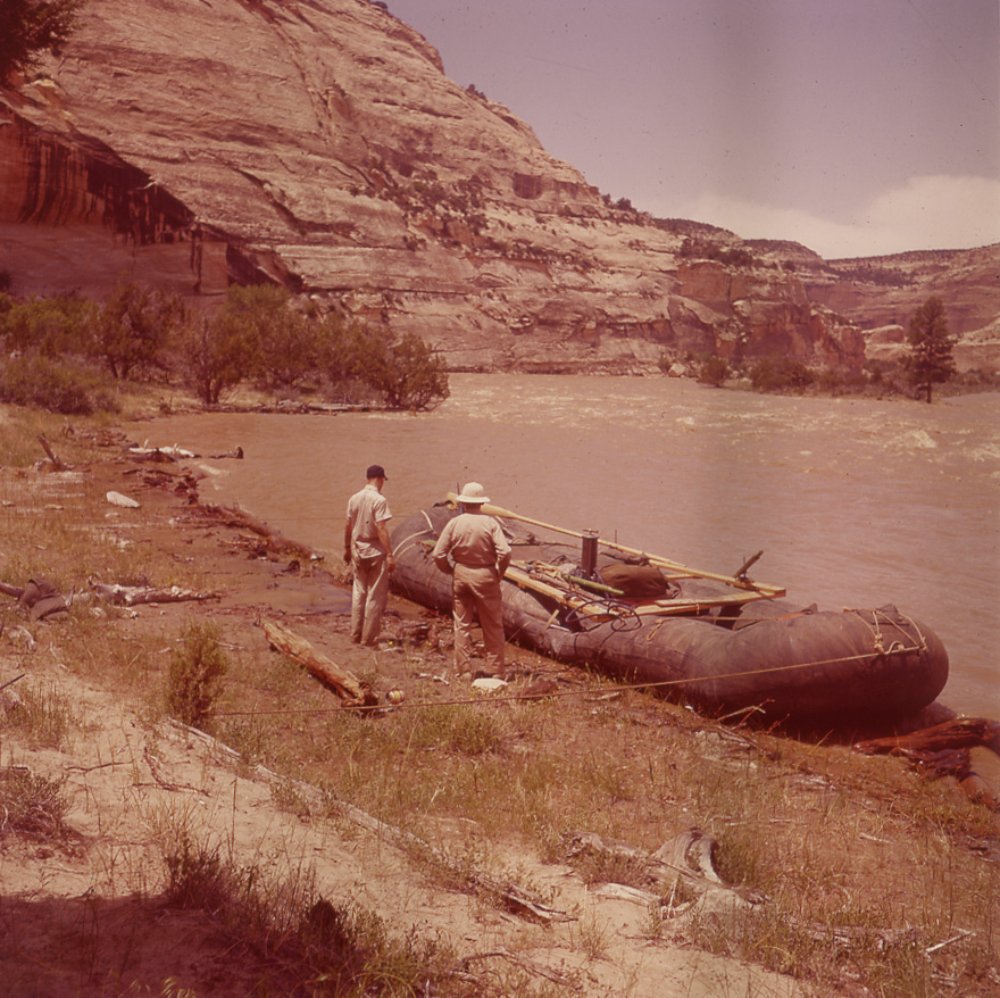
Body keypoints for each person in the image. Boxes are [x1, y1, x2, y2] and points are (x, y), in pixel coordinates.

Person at [431, 482, 512, 676]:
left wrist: (450, 569)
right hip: (485, 575)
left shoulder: (454, 523)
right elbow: (505, 552)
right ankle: (495, 670)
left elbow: (438, 554)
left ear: (463, 503)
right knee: (492, 624)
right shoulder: (490, 523)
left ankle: (463, 670)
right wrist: (499, 573)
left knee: (461, 624)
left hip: (461, 574)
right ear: (481, 504)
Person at [344, 464, 395, 646]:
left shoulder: (354, 498)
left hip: (358, 550)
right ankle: (368, 638)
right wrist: (389, 554)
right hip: (375, 552)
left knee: (358, 594)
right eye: (383, 481)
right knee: (374, 595)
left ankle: (354, 634)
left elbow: (348, 526)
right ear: (380, 479)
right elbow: (381, 527)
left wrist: (347, 549)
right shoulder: (379, 500)